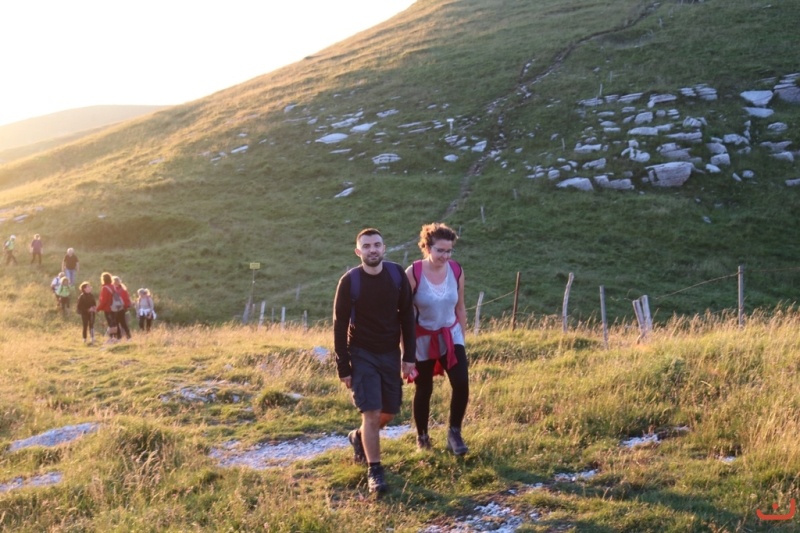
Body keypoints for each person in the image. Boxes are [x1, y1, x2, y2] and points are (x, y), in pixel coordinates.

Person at [333, 228, 416, 494]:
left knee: (389, 411)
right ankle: (375, 470)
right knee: (370, 412)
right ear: (358, 251)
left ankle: (359, 437)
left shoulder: (396, 275)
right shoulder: (350, 281)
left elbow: (407, 317)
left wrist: (409, 356)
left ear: (384, 248)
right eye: (367, 246)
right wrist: (343, 366)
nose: (373, 250)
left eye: (377, 245)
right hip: (361, 354)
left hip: (390, 353)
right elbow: (339, 325)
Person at [406, 223, 470, 456]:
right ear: (427, 248)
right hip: (422, 338)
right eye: (440, 250)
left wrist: (462, 339)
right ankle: (422, 437)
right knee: (424, 388)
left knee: (461, 383)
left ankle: (454, 433)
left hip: (450, 335)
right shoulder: (413, 273)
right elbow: (404, 314)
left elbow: (460, 307)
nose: (445, 256)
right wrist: (406, 351)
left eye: (449, 251)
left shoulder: (456, 270)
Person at [96, 272, 120, 343]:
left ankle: (111, 338)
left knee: (111, 324)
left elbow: (104, 301)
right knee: (114, 323)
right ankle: (115, 337)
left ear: (103, 279)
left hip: (108, 308)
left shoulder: (105, 288)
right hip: (115, 307)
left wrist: (98, 308)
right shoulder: (113, 286)